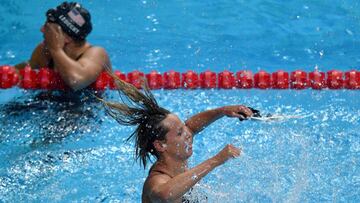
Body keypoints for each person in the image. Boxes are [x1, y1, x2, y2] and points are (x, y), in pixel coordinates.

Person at [101, 74, 254, 202]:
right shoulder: (156, 180)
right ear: (161, 145)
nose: (188, 134)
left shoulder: (177, 150)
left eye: (184, 128)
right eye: (180, 133)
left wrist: (223, 111)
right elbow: (165, 195)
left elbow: (192, 125)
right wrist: (216, 160)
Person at [15, 1, 111, 91]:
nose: (42, 29)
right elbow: (26, 68)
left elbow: (76, 81)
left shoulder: (98, 53)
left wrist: (56, 49)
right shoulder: (45, 52)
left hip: (86, 105)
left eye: (48, 27)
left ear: (66, 38)